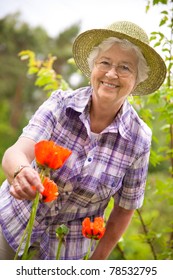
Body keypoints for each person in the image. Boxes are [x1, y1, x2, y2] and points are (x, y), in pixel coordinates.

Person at [0, 21, 166, 260]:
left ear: (137, 79)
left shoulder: (139, 139)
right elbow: (16, 152)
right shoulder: (59, 104)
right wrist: (20, 172)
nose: (111, 74)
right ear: (93, 68)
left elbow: (124, 209)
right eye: (105, 63)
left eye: (125, 67)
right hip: (11, 225)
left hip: (66, 252)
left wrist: (95, 264)